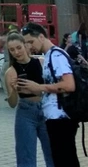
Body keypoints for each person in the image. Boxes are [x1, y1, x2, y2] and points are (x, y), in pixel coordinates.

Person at [20, 22, 80, 166]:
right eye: (26, 43)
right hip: (56, 117)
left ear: (41, 37)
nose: (29, 46)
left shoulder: (56, 56)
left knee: (65, 160)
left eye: (31, 41)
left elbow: (69, 85)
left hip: (61, 118)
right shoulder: (50, 55)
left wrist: (39, 87)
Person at [3, 32, 54, 167]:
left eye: (18, 47)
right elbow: (12, 103)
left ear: (25, 45)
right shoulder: (11, 72)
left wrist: (38, 88)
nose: (16, 52)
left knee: (53, 154)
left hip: (46, 110)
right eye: (12, 50)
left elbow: (52, 88)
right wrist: (14, 90)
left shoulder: (41, 62)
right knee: (26, 157)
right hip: (26, 112)